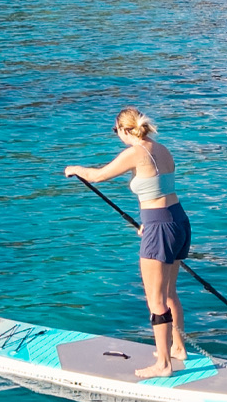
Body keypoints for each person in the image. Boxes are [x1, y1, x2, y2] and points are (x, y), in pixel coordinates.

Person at [64, 107, 190, 378]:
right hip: (178, 221)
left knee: (155, 300)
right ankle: (178, 348)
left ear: (123, 129)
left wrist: (75, 169)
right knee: (170, 293)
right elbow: (162, 188)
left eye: (115, 130)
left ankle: (164, 365)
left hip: (161, 227)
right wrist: (153, 222)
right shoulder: (163, 149)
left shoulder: (134, 152)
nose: (116, 135)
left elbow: (98, 176)